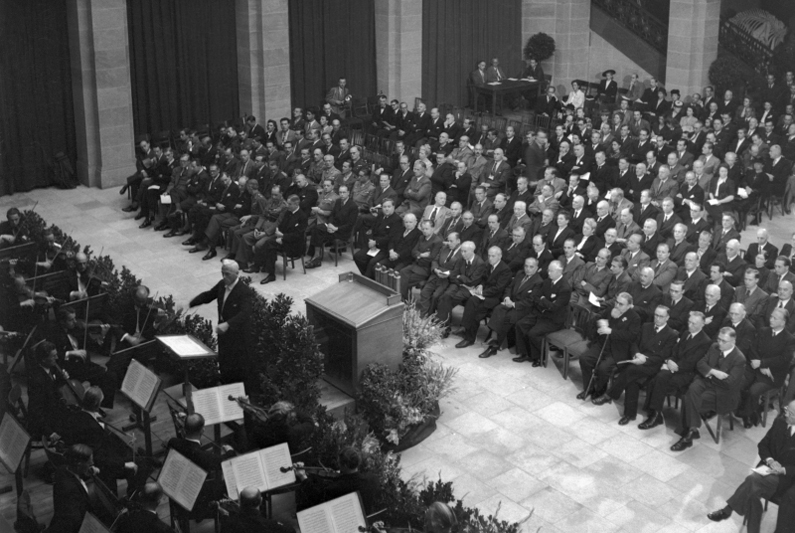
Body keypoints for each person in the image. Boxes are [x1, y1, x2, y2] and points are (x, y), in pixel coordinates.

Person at [706, 398, 795, 533]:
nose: (786, 414)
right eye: (786, 410)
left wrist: (783, 470)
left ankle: (727, 511)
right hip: (768, 471)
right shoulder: (779, 422)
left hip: (787, 479)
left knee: (752, 480)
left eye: (791, 413)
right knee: (753, 492)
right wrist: (770, 461)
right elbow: (763, 444)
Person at [594, 305, 678, 424]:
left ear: (667, 317)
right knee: (632, 381)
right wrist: (637, 354)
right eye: (656, 315)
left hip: (653, 365)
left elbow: (663, 355)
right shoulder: (646, 326)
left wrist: (645, 360)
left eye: (661, 316)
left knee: (630, 370)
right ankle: (629, 415)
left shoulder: (671, 334)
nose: (657, 318)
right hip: (637, 359)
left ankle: (610, 394)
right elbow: (634, 343)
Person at [672, 327, 747, 451]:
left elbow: (729, 383)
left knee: (688, 398)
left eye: (724, 341)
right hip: (706, 381)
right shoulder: (714, 346)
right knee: (692, 390)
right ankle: (692, 429)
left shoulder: (739, 358)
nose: (720, 343)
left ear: (733, 341)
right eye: (719, 339)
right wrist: (714, 372)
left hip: (722, 392)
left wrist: (708, 372)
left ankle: (689, 434)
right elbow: (700, 364)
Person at [189, 260, 253, 385]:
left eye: (227, 274)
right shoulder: (222, 285)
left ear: (236, 273)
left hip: (238, 336)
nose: (224, 277)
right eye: (222, 273)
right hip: (224, 334)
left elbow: (245, 313)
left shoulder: (244, 292)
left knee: (236, 365)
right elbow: (208, 295)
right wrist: (192, 302)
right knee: (224, 361)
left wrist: (228, 324)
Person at [577, 292, 642, 400]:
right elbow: (598, 319)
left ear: (629, 306)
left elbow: (631, 336)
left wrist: (611, 331)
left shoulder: (634, 318)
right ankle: (589, 388)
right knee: (584, 359)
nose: (617, 305)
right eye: (616, 302)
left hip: (618, 350)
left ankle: (600, 390)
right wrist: (601, 325)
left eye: (621, 304)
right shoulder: (611, 309)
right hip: (602, 344)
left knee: (603, 368)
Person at [480, 257, 543, 358]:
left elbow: (531, 301)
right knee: (498, 309)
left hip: (523, 309)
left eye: (531, 267)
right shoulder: (520, 274)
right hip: (510, 302)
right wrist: (507, 298)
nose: (528, 269)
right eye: (526, 266)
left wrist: (514, 304)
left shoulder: (538, 281)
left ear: (537, 268)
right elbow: (509, 287)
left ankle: (494, 346)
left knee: (507, 317)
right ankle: (494, 338)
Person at [513, 260, 572, 366]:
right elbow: (536, 297)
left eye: (551, 271)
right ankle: (525, 353)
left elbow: (554, 308)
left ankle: (540, 357)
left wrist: (543, 300)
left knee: (533, 333)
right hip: (541, 312)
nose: (548, 273)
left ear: (560, 272)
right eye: (548, 270)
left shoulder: (565, 288)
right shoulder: (547, 281)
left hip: (554, 319)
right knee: (520, 324)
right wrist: (545, 301)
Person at [48, 444, 112, 533]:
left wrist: (87, 471)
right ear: (79, 464)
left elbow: (75, 476)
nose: (91, 465)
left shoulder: (62, 470)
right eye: (90, 463)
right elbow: (75, 522)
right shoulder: (71, 492)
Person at [296, 446, 380, 513]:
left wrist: (303, 477)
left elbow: (317, 495)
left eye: (339, 463)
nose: (338, 465)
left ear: (345, 466)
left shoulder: (338, 487)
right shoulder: (372, 479)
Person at [221, 487, 293, 533]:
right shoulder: (271, 525)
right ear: (261, 501)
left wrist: (224, 515)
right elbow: (291, 531)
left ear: (240, 501)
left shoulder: (229, 524)